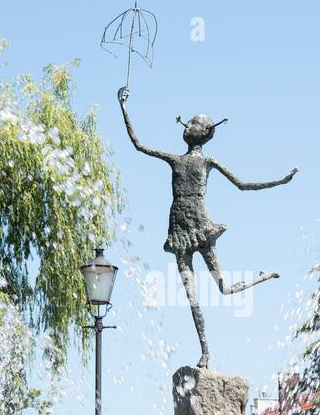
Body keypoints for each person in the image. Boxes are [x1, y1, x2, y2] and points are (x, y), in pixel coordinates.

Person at [118, 86, 296, 368]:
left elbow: (242, 185)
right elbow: (139, 145)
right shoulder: (175, 159)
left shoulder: (208, 161)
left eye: (194, 122)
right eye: (189, 121)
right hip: (178, 227)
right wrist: (124, 108)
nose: (188, 124)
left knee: (223, 288)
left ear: (206, 131)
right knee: (192, 297)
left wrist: (280, 181)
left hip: (200, 225)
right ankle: (205, 352)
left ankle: (261, 277)